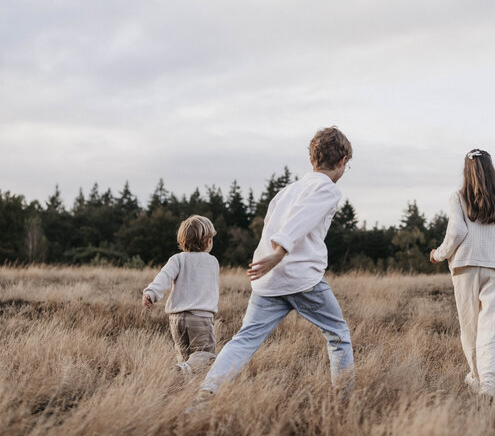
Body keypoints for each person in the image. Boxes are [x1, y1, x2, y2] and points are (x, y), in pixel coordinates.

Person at [199, 126, 354, 398]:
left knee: (244, 339)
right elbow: (301, 219)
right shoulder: (327, 189)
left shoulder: (286, 192)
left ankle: (207, 392)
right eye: (347, 165)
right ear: (342, 162)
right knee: (339, 335)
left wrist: (268, 259)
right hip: (303, 279)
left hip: (269, 281)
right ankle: (343, 403)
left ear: (311, 160)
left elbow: (270, 228)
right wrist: (281, 251)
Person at [430, 149, 495, 398]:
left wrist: (438, 254)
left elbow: (456, 233)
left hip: (464, 267)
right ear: (491, 170)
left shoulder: (458, 197)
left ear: (466, 170)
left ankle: (476, 377)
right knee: (493, 327)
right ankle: (491, 385)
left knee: (470, 327)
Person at [143, 215, 220, 375]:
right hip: (200, 318)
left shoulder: (177, 259)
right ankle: (183, 371)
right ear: (208, 242)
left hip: (176, 319)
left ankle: (182, 383)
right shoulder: (212, 261)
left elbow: (164, 276)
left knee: (184, 357)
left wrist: (152, 292)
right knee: (206, 356)